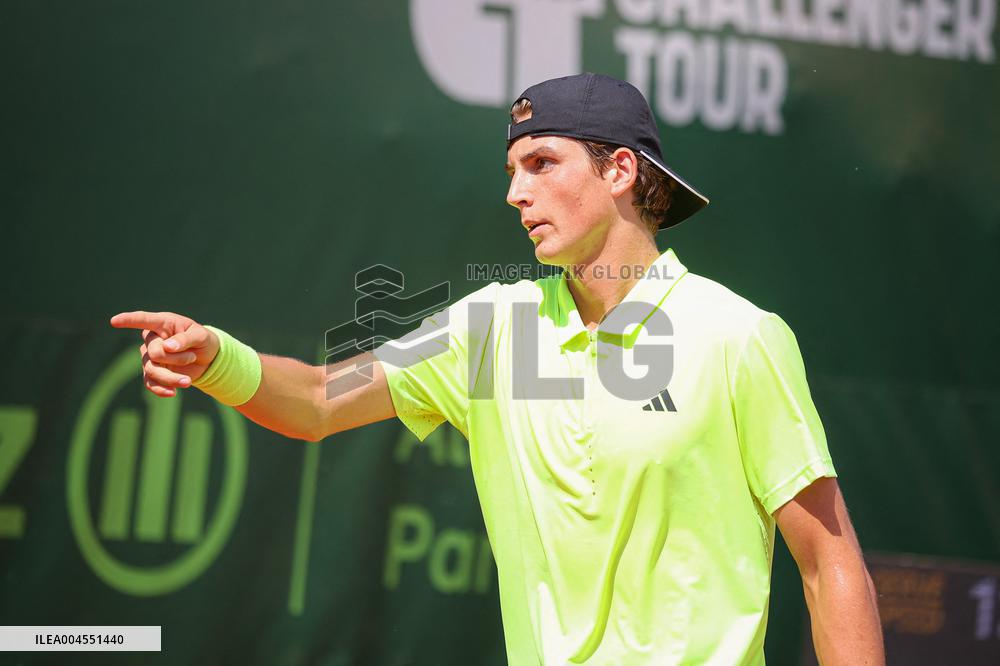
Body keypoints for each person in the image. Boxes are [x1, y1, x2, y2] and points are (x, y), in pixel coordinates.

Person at [111, 73, 884, 665]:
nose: (516, 193)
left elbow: (828, 561)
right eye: (512, 170)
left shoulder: (740, 335)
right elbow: (318, 401)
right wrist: (217, 358)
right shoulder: (490, 326)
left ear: (619, 170)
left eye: (542, 163)